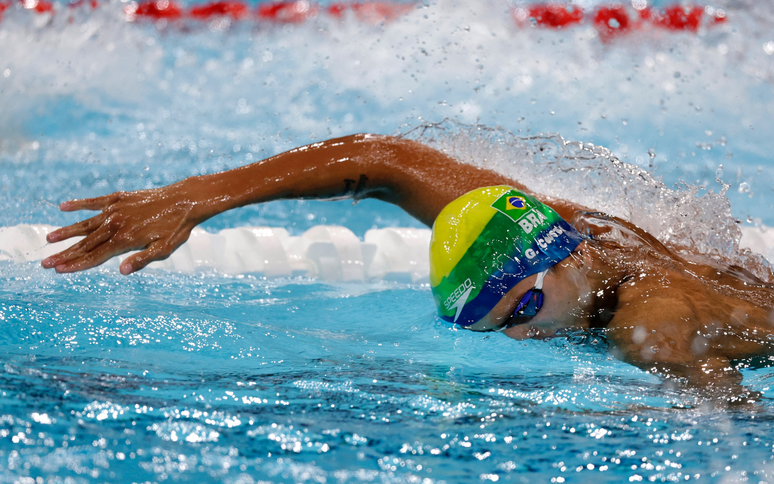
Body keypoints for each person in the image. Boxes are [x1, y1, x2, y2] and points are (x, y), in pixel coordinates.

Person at [40, 133, 774, 399]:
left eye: (518, 311)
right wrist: (192, 198)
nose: (519, 337)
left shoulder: (644, 321)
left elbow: (729, 411)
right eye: (493, 329)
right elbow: (378, 162)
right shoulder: (554, 232)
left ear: (567, 257)